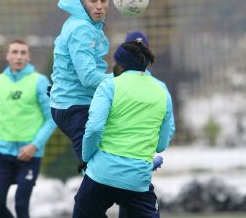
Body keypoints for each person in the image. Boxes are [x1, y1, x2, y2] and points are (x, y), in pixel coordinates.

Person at [73, 40, 175, 217]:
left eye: (114, 61)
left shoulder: (109, 85)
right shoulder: (162, 92)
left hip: (101, 174)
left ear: (121, 65)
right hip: (137, 179)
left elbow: (95, 128)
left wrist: (86, 157)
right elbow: (161, 145)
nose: (112, 65)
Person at [0, 39, 56, 218]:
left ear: (28, 57)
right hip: (4, 156)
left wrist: (35, 145)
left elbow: (52, 117)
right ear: (7, 56)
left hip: (29, 155)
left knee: (21, 205)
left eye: (23, 53)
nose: (18, 56)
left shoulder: (39, 81)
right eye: (14, 52)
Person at [50, 0, 111, 172]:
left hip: (73, 102)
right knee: (95, 172)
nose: (99, 6)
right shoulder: (81, 29)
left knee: (101, 167)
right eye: (93, 0)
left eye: (103, 0)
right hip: (75, 107)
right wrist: (122, 80)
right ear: (83, 2)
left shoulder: (83, 23)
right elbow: (89, 78)